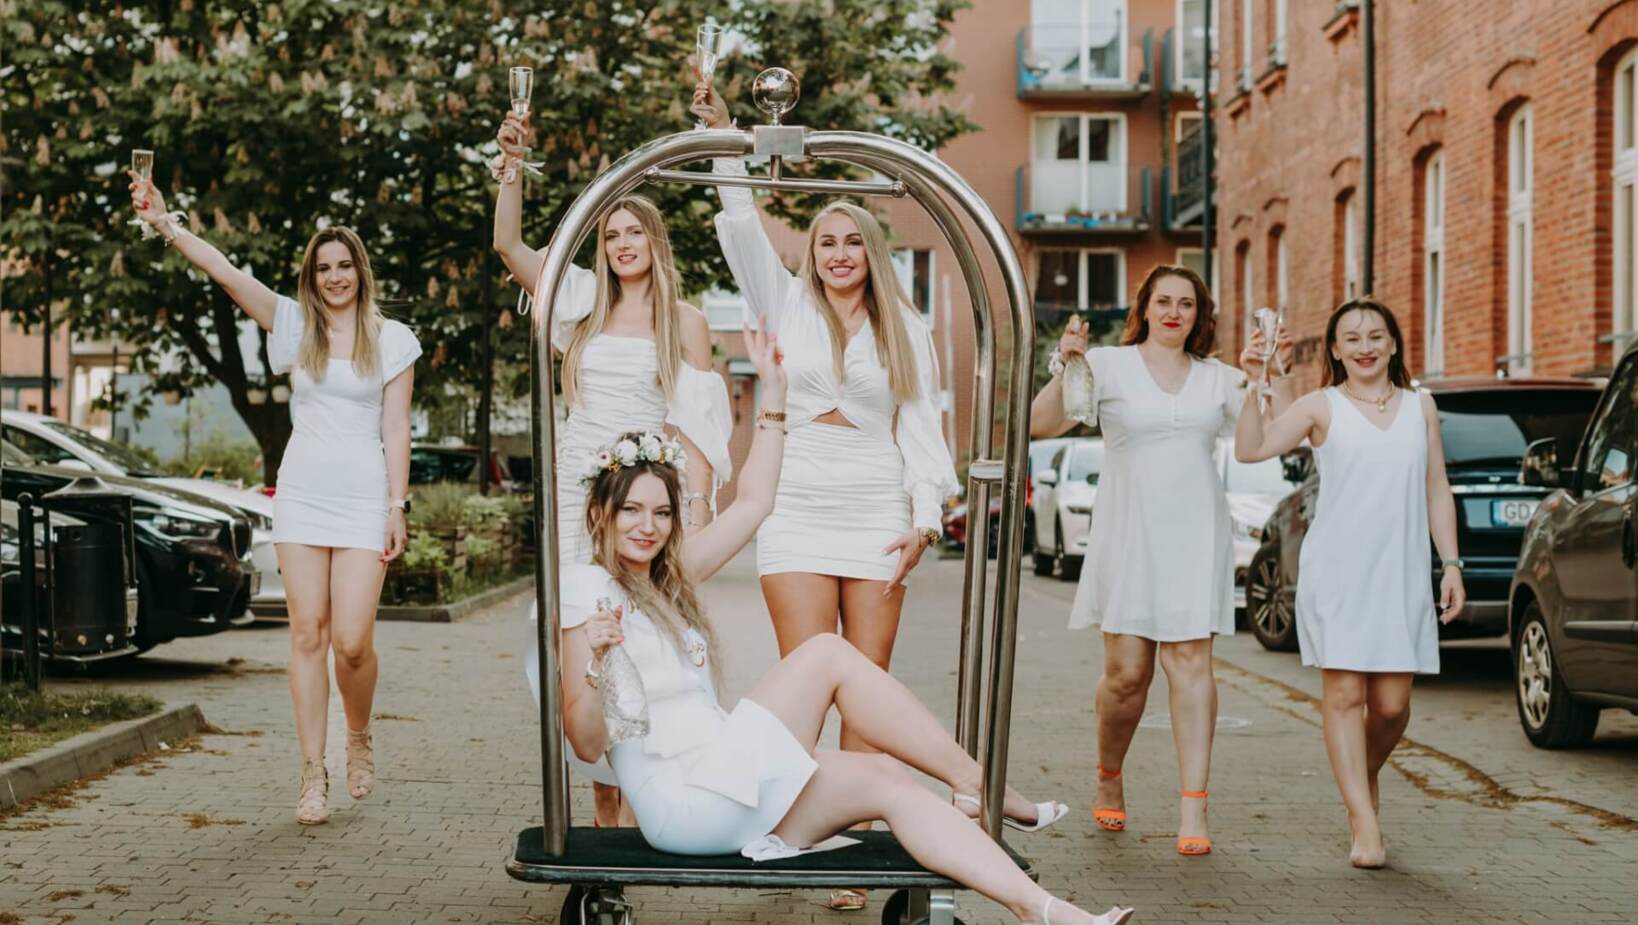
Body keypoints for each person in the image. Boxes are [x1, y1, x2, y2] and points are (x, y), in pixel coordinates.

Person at [555, 324, 1134, 925]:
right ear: (600, 512)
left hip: (727, 778)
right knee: (827, 653)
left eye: (661, 513)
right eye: (630, 511)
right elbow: (586, 743)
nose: (646, 526)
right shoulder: (586, 593)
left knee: (886, 777)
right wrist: (597, 665)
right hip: (684, 803)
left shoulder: (668, 583)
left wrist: (775, 391)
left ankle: (1046, 911)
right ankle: (978, 784)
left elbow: (754, 503)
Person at [690, 85, 985, 906]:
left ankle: (851, 840)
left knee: (869, 678)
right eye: (827, 239)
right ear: (812, 251)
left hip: (878, 510)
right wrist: (723, 140)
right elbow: (743, 228)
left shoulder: (907, 326)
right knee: (806, 676)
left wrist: (927, 520)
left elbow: (924, 428)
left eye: (854, 240)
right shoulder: (783, 301)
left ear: (871, 252)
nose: (840, 252)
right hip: (797, 504)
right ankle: (788, 822)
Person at [129, 177, 421, 826]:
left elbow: (396, 427)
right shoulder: (292, 325)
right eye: (323, 268)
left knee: (351, 641)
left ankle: (359, 732)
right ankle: (312, 769)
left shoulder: (393, 338)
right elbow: (227, 273)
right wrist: (168, 223)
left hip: (363, 498)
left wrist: (397, 505)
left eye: (345, 265)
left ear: (360, 271)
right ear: (311, 277)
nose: (335, 276)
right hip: (303, 496)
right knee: (308, 631)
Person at [491, 113, 732, 828]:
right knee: (577, 626)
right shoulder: (579, 299)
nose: (623, 244)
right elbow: (507, 243)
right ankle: (601, 797)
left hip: (640, 502)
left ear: (655, 242)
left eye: (635, 232)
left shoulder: (684, 321)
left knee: (636, 629)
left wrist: (689, 513)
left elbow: (695, 424)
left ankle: (646, 788)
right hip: (574, 491)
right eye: (612, 234)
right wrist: (512, 165)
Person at [1030, 266, 1281, 856]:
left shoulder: (1219, 377)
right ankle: (1108, 773)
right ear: (1144, 308)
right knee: (1128, 676)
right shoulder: (1109, 367)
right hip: (1128, 532)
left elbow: (1251, 444)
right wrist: (1068, 362)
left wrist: (1260, 379)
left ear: (1200, 314)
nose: (1174, 312)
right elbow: (1043, 423)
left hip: (1196, 533)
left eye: (1186, 304)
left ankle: (1193, 808)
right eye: (1163, 301)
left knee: (1191, 664)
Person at [1233, 297, 1465, 869]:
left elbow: (1437, 487)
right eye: (1352, 338)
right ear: (1335, 349)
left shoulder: (1422, 407)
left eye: (1376, 335)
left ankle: (1355, 776)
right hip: (1337, 569)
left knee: (1391, 706)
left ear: (1392, 344)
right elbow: (1251, 448)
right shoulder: (1321, 406)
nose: (1365, 346)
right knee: (1344, 695)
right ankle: (1364, 821)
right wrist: (1253, 383)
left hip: (1401, 572)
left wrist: (1451, 563)